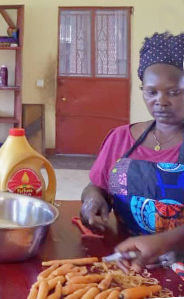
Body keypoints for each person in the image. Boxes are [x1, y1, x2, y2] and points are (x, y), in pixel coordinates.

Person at [80, 32, 184, 274]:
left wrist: (165, 241)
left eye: (174, 92)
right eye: (151, 92)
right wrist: (93, 200)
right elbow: (97, 186)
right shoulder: (121, 138)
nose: (161, 101)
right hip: (126, 264)